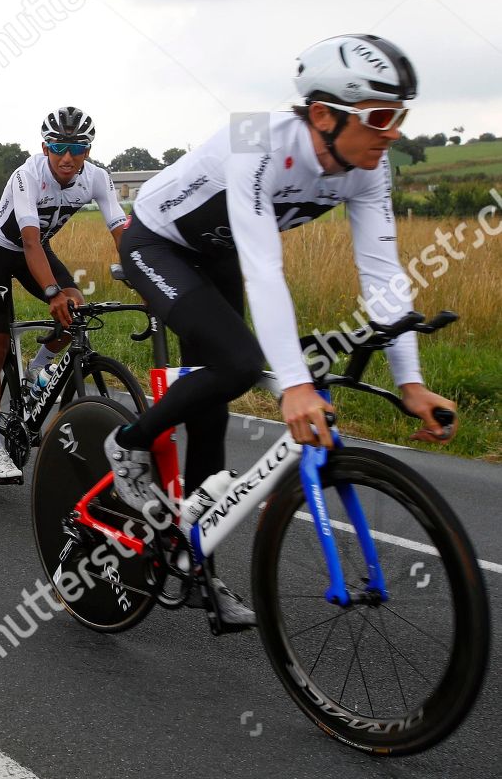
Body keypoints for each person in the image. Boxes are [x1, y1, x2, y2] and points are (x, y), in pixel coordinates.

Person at [111, 33, 457, 629]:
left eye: (399, 116)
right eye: (379, 116)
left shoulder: (366, 168)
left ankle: (197, 572)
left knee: (214, 408)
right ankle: (128, 444)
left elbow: (382, 276)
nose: (392, 131)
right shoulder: (255, 138)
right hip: (159, 243)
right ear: (322, 114)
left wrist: (411, 382)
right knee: (240, 365)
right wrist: (293, 385)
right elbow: (265, 267)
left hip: (214, 256)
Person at [0, 107, 127, 479]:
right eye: (58, 146)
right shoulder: (27, 176)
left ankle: (38, 366)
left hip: (38, 249)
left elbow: (120, 226)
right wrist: (50, 291)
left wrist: (140, 271)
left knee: (76, 308)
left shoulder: (96, 178)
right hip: (1, 251)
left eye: (77, 147)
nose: (67, 156)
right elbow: (27, 240)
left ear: (88, 151)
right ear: (45, 147)